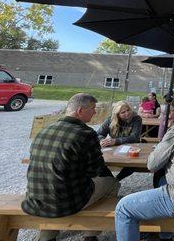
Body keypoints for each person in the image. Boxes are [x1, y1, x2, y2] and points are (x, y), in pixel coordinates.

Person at [22, 93, 120, 241]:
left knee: (55, 185)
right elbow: (96, 170)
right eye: (93, 108)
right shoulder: (86, 133)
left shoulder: (44, 130)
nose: (95, 112)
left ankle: (47, 236)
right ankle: (90, 234)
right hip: (67, 201)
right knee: (113, 183)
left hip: (35, 198)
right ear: (80, 111)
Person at [115, 97, 174, 241]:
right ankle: (164, 235)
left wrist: (167, 136)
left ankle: (159, 231)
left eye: (173, 113)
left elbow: (152, 165)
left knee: (123, 208)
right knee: (160, 179)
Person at [97, 100, 143, 180]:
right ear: (117, 114)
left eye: (128, 110)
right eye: (123, 112)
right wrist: (102, 140)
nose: (127, 113)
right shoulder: (110, 120)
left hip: (132, 148)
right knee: (100, 161)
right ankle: (111, 180)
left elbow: (135, 137)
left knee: (133, 164)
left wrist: (115, 141)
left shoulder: (136, 118)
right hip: (114, 149)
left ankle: (117, 179)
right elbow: (98, 134)